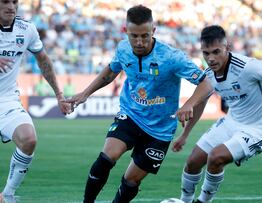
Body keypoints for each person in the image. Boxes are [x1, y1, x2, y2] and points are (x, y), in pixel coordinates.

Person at [65, 5, 212, 203]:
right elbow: (110, 72)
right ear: (126, 32)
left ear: (153, 31)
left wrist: (189, 104)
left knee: (131, 181)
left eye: (145, 35)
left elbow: (206, 83)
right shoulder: (123, 49)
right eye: (134, 36)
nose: (139, 42)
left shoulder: (171, 57)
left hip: (160, 128)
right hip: (131, 114)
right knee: (107, 157)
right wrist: (85, 93)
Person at [173, 25, 262, 203]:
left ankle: (203, 201)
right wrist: (185, 135)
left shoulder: (247, 66)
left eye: (216, 52)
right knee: (193, 161)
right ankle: (184, 201)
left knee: (216, 157)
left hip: (259, 129)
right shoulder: (209, 74)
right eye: (206, 53)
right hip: (232, 122)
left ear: (227, 47)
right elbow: (201, 102)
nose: (210, 58)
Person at [0, 0, 71, 202]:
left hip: (6, 100)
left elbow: (43, 60)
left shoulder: (26, 29)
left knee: (28, 139)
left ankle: (8, 195)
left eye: (15, 2)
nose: (11, 6)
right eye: (5, 1)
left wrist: (59, 94)